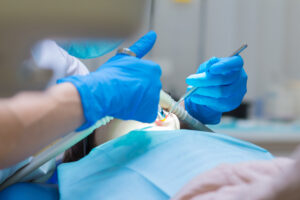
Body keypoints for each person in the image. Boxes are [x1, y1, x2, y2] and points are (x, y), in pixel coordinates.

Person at [0, 31, 246, 181]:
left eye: (161, 112)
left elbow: (77, 137)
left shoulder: (59, 61)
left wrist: (189, 113)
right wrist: (92, 97)